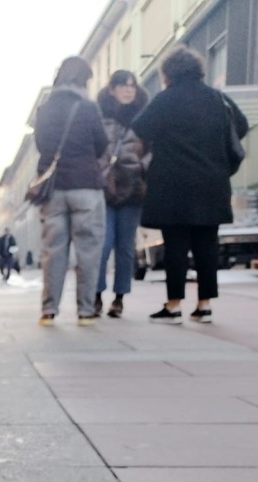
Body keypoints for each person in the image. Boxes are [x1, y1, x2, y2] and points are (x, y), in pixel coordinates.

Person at [130, 46, 247, 324]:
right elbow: (241, 126)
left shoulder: (165, 100)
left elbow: (140, 128)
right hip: (212, 181)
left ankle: (173, 306)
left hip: (174, 183)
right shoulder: (217, 99)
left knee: (176, 246)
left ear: (168, 73)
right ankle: (204, 306)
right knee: (207, 244)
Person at [33, 56, 108, 326]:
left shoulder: (45, 109)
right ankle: (86, 312)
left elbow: (41, 145)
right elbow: (101, 144)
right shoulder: (88, 108)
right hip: (86, 186)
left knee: (53, 251)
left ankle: (49, 311)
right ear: (83, 80)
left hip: (53, 188)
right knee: (88, 250)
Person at [94, 70, 149, 318]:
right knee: (103, 247)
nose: (128, 90)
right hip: (105, 189)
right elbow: (93, 147)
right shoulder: (100, 115)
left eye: (132, 86)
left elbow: (153, 148)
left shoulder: (144, 118)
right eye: (123, 85)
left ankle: (119, 298)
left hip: (133, 189)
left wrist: (141, 167)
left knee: (125, 248)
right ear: (112, 89)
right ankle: (95, 295)